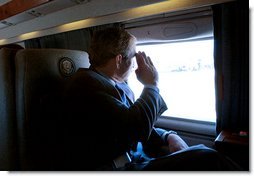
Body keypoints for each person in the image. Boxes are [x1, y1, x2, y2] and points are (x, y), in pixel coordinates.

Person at [63, 27, 241, 171]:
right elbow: (135, 128)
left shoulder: (107, 82)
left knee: (203, 155)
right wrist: (151, 85)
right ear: (119, 60)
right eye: (134, 56)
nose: (136, 64)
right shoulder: (87, 87)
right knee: (207, 157)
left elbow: (129, 121)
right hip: (116, 167)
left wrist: (168, 136)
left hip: (133, 157)